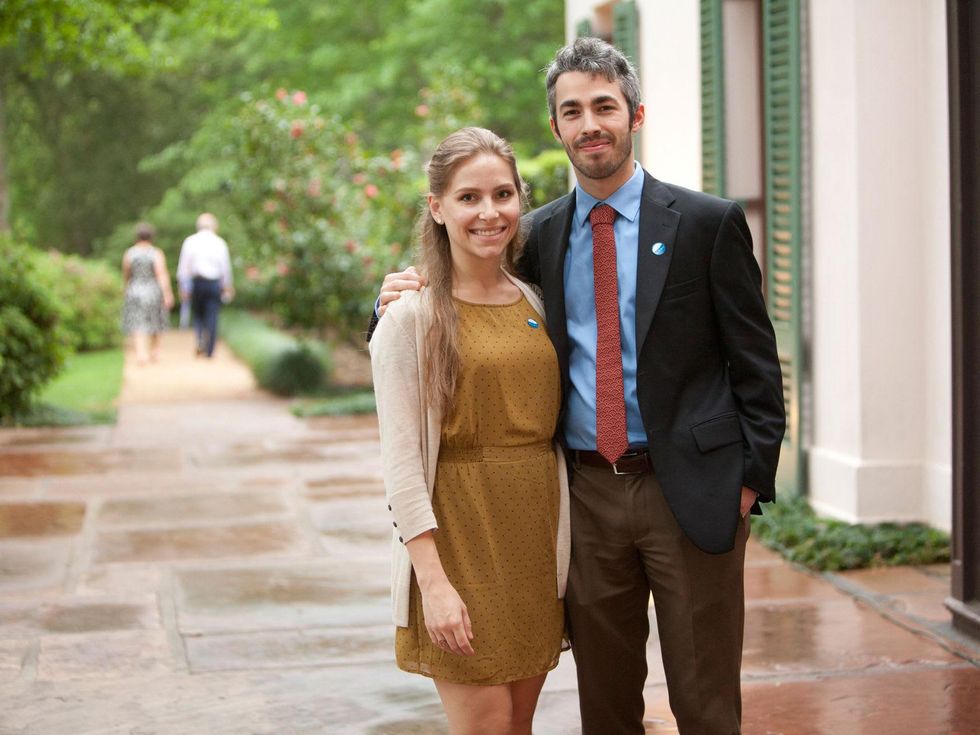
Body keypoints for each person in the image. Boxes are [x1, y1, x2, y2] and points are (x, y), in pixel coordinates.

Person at [370, 38, 786, 735]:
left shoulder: (706, 225)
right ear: (556, 127)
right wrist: (383, 305)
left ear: (635, 114)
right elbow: (459, 307)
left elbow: (756, 362)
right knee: (606, 699)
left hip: (691, 489)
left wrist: (747, 480)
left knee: (705, 699)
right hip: (585, 497)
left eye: (604, 106)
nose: (590, 123)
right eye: (573, 111)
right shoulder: (533, 236)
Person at [369, 127, 571, 735]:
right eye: (468, 198)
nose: (490, 212)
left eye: (503, 194)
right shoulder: (410, 318)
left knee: (518, 726)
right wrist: (433, 584)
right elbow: (401, 466)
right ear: (437, 208)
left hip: (536, 540)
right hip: (458, 539)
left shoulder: (537, 301)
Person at [176, 213, 234, 357]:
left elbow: (183, 267)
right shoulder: (219, 242)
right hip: (214, 283)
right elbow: (225, 268)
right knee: (212, 315)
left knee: (198, 314)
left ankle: (200, 338)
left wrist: (183, 287)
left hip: (197, 282)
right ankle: (210, 350)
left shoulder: (190, 241)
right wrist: (227, 286)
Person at [121, 222, 174, 365]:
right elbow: (161, 274)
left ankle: (140, 353)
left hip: (135, 289)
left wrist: (126, 288)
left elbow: (126, 274)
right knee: (155, 319)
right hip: (152, 289)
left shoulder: (130, 253)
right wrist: (167, 293)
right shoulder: (156, 253)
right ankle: (155, 351)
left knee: (137, 322)